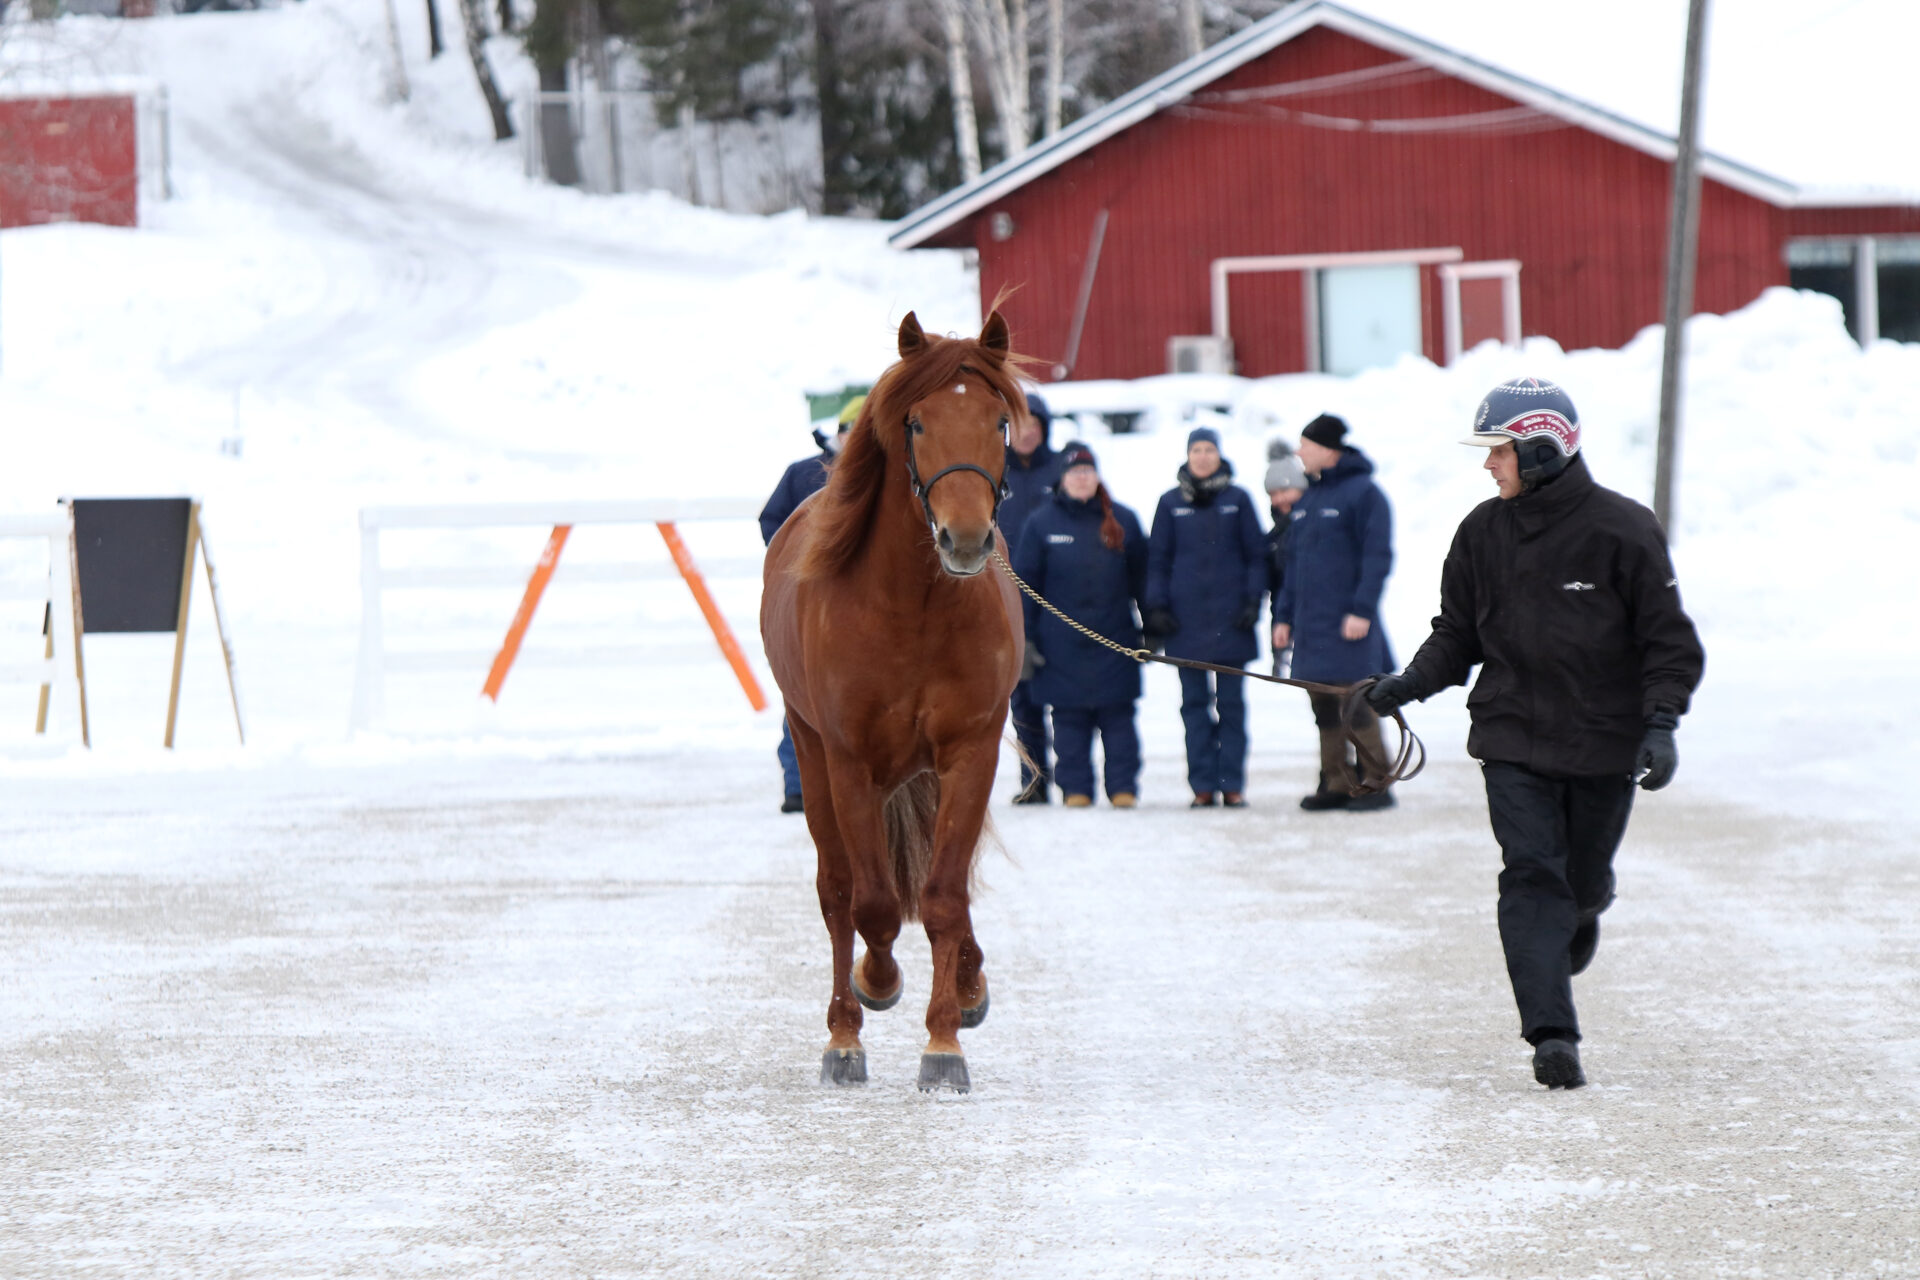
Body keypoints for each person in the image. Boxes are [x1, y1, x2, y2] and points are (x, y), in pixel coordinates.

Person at [1364, 377, 1705, 1089]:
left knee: (1577, 886)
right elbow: (1456, 635)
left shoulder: (1623, 529)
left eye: (1500, 451)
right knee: (1530, 878)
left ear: (1543, 449)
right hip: (1512, 739)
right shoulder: (1481, 533)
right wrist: (1406, 685)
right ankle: (1553, 1036)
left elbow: (1668, 642)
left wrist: (1662, 724)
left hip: (1602, 744)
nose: (1489, 466)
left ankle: (1583, 909)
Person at [1272, 413, 1397, 813]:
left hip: (1349, 626)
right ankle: (1337, 783)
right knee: (1324, 708)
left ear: (1327, 450)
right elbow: (1293, 566)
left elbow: (1377, 557)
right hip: (1312, 627)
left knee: (1357, 704)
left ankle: (1377, 784)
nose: (1298, 453)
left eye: (1305, 445)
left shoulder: (1365, 494)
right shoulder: (1309, 499)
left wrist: (1362, 609)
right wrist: (1283, 617)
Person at [1012, 442, 1149, 808]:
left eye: (1088, 471)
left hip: (1115, 636)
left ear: (1098, 476)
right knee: (1069, 720)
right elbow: (1024, 586)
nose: (1082, 478)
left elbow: (1143, 579)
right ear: (1063, 478)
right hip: (1060, 644)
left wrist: (1153, 625)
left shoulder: (1123, 519)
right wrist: (1025, 639)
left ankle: (1123, 788)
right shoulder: (1041, 523)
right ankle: (1076, 790)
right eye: (1075, 472)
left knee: (1118, 718)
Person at [1145, 426, 1267, 808]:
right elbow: (1157, 561)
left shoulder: (1238, 499)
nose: (1202, 456)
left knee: (1232, 707)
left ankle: (1232, 784)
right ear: (1187, 455)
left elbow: (1257, 557)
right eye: (1196, 449)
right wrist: (1157, 608)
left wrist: (1252, 603)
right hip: (1186, 623)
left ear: (1218, 454)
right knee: (1194, 708)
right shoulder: (1169, 503)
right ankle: (1202, 785)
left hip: (1233, 621)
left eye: (1209, 449)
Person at [758, 395, 861, 812]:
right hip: (811, 596)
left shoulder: (894, 474)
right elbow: (772, 521)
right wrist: (795, 560)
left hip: (860, 603)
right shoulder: (803, 473)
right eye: (852, 431)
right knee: (804, 699)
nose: (857, 439)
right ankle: (800, 787)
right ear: (839, 433)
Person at [1000, 392, 1065, 803]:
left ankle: (1075, 779)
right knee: (1021, 698)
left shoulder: (1064, 469)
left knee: (1063, 695)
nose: (1027, 434)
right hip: (1006, 598)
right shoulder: (992, 469)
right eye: (1019, 426)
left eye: (1034, 426)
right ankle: (1033, 779)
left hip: (1057, 599)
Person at [1263, 439, 1309, 677]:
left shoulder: (1312, 527)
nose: (1279, 499)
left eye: (1285, 491)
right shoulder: (1274, 536)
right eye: (1273, 493)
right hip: (1285, 629)